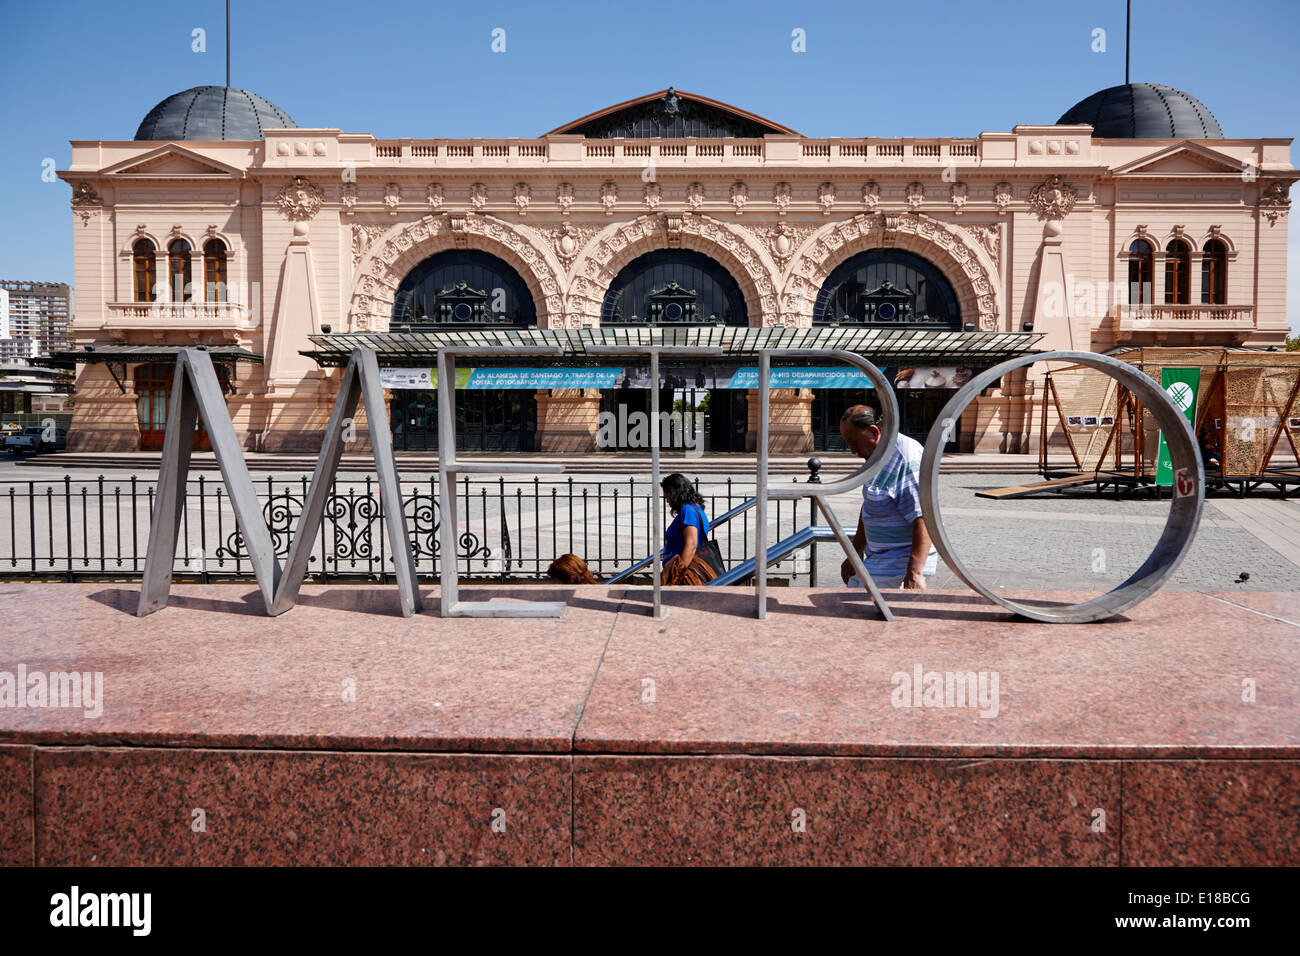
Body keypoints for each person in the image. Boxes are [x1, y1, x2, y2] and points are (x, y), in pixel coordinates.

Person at [838, 404, 938, 590]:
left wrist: (914, 573)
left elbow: (924, 516)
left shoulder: (905, 457)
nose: (852, 450)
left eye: (853, 442)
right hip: (881, 562)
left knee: (862, 610)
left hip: (899, 566)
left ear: (874, 432)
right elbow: (870, 507)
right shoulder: (877, 457)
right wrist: (855, 553)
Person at [659, 473, 717, 585]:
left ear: (674, 493)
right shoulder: (694, 508)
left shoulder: (688, 511)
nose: (667, 501)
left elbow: (691, 545)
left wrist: (676, 576)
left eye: (667, 496)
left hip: (684, 575)